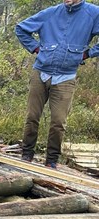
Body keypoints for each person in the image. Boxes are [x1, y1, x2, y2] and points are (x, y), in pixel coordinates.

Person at [15, 0, 99, 169]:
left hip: (66, 76)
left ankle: (51, 161)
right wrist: (37, 49)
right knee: (32, 117)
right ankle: (26, 155)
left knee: (58, 122)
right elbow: (21, 28)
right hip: (41, 72)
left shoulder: (93, 13)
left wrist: (88, 54)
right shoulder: (51, 12)